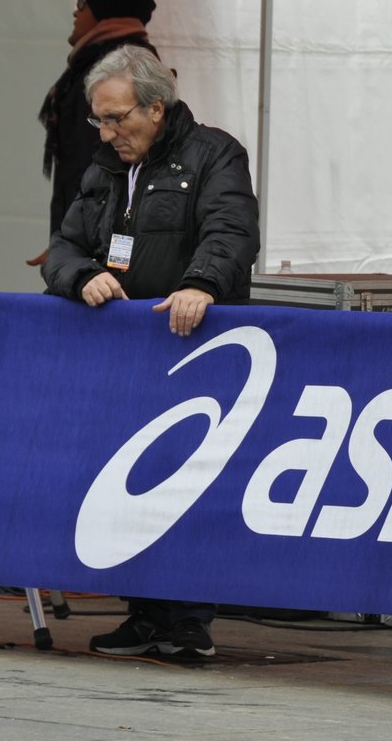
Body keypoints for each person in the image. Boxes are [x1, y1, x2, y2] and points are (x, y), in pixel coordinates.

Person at [42, 43, 259, 659]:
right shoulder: (106, 167)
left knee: (187, 486)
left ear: (156, 108)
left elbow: (232, 230)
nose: (108, 133)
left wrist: (201, 283)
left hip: (199, 351)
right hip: (127, 357)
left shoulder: (215, 153)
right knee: (129, 481)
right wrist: (81, 276)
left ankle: (189, 620)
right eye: (99, 120)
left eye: (117, 118)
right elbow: (63, 246)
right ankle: (144, 613)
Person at [29, 0, 158, 266]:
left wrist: (70, 245)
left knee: (104, 299)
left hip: (106, 233)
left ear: (106, 12)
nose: (75, 14)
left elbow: (96, 160)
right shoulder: (95, 60)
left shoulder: (121, 66)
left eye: (82, 5)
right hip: (90, 227)